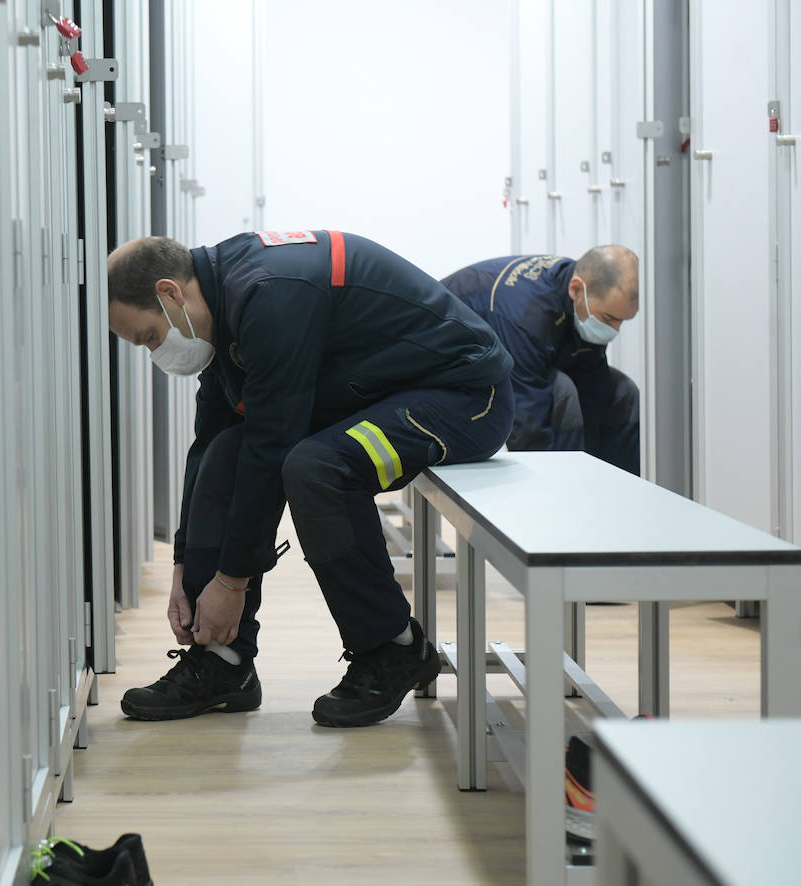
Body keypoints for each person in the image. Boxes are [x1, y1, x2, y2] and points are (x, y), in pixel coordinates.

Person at [105, 231, 514, 727]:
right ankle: (222, 659)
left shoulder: (270, 294)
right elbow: (210, 444)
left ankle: (393, 647)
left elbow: (272, 446)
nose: (155, 352)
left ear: (170, 294)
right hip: (385, 396)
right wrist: (184, 561)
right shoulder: (224, 307)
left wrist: (230, 582)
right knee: (223, 453)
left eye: (149, 336)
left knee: (317, 467)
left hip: (465, 396)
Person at [439, 247, 641, 475]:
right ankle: (563, 491)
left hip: (510, 358)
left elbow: (592, 380)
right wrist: (545, 484)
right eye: (608, 319)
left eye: (622, 321)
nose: (614, 330)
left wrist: (592, 459)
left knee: (624, 393)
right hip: (446, 367)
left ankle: (615, 491)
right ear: (576, 289)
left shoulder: (583, 293)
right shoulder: (526, 317)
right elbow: (527, 422)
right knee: (561, 393)